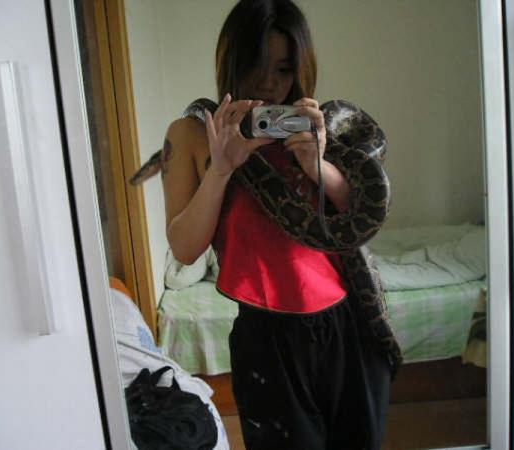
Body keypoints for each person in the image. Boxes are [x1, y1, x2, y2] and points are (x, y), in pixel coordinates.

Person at [160, 1, 393, 448]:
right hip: (266, 336)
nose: (269, 82)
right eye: (256, 64)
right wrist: (221, 169)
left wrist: (317, 163)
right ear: (232, 60)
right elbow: (185, 249)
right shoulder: (192, 134)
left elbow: (362, 216)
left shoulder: (314, 128)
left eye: (284, 69)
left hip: (348, 325)